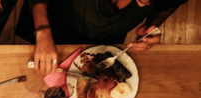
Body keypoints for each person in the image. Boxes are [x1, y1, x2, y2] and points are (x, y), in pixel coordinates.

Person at [16, 0, 189, 74]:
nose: (140, 4)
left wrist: (152, 26)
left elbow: (169, 6)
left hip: (104, 47)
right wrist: (43, 29)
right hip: (53, 30)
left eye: (147, 4)